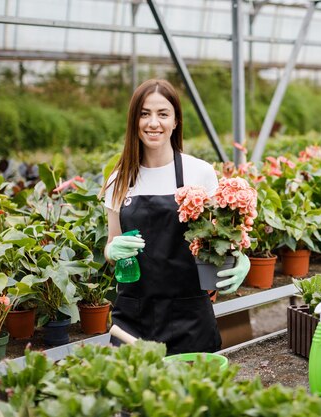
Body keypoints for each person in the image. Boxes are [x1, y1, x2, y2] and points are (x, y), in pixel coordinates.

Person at [101, 79, 250, 354]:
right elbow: (111, 247)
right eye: (144, 114)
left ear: (176, 121)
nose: (153, 123)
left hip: (190, 316)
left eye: (162, 114)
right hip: (134, 317)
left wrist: (242, 258)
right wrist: (113, 249)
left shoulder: (200, 173)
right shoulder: (119, 179)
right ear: (134, 120)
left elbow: (222, 235)